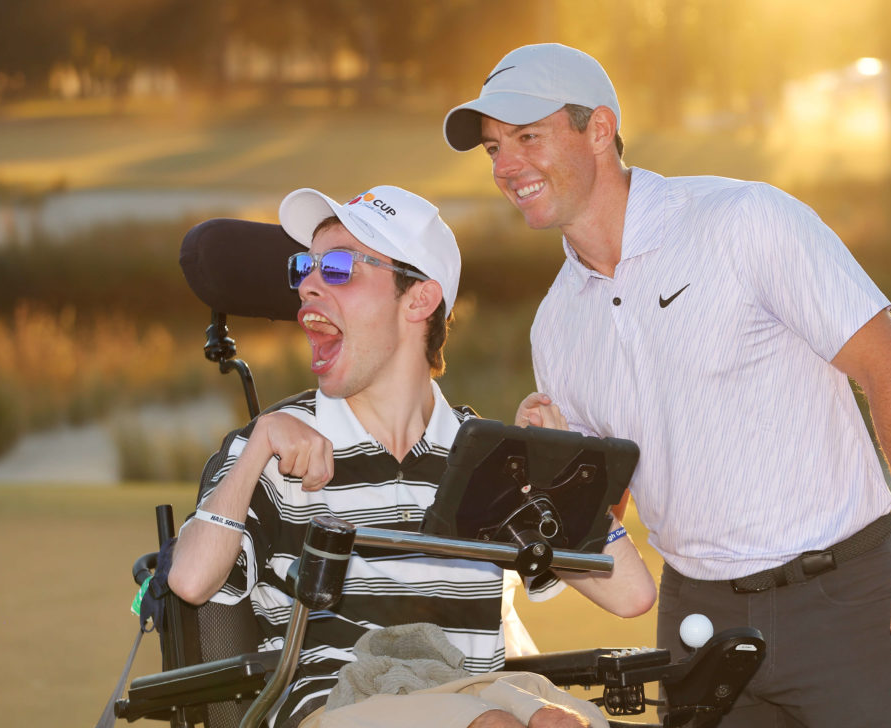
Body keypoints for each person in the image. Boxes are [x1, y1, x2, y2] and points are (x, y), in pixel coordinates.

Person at [443, 42, 891, 726]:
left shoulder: (744, 223)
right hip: (697, 619)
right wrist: (551, 478)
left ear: (599, 129)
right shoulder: (556, 327)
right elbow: (613, 511)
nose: (506, 166)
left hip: (842, 601)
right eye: (492, 148)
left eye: (527, 137)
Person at [167, 183, 656, 728]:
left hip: (478, 691)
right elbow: (190, 582)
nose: (306, 285)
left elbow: (631, 595)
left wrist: (559, 476)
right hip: (339, 703)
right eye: (305, 266)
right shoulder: (276, 446)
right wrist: (257, 444)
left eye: (336, 268)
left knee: (557, 722)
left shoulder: (488, 458)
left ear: (419, 299)